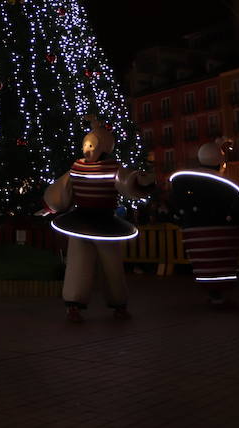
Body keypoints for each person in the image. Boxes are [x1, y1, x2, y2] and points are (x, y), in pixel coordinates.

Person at [43, 114, 154, 323]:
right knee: (77, 263)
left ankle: (119, 304)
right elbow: (63, 189)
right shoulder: (77, 167)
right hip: (80, 220)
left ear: (104, 146)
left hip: (106, 223)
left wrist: (139, 181)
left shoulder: (114, 168)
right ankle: (73, 305)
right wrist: (52, 204)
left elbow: (127, 182)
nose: (88, 149)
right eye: (86, 145)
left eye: (92, 145)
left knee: (112, 265)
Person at [169, 137, 239, 307]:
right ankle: (219, 294)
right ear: (220, 162)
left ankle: (215, 293)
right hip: (221, 232)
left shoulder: (183, 182)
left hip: (195, 232)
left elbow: (178, 201)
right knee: (221, 262)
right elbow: (236, 209)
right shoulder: (228, 189)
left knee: (205, 263)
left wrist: (182, 216)